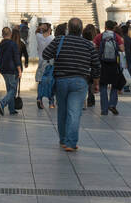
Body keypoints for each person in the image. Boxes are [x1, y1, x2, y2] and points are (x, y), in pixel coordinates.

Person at [41, 17, 101, 151]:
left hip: (61, 80)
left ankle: (63, 140)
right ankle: (71, 143)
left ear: (68, 28)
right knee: (74, 112)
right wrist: (96, 83)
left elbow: (45, 54)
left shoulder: (59, 40)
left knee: (62, 111)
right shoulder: (88, 45)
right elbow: (97, 66)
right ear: (81, 29)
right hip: (80, 81)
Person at [0, 25, 22, 115]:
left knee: (9, 89)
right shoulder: (13, 44)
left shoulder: (0, 45)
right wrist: (19, 70)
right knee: (13, 90)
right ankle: (2, 103)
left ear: (3, 34)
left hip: (3, 69)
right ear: (10, 34)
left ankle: (11, 109)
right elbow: (16, 57)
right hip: (12, 69)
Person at [34, 22, 56, 109]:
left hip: (41, 61)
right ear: (50, 29)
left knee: (40, 81)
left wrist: (41, 28)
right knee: (51, 82)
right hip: (50, 62)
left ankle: (39, 98)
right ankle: (51, 102)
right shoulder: (52, 38)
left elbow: (36, 31)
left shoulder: (38, 37)